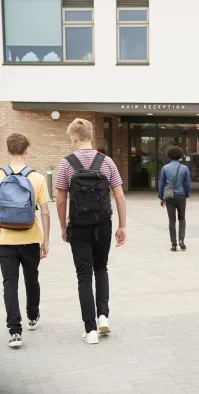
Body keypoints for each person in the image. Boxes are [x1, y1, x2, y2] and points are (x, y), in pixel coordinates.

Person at [56, 118, 127, 345]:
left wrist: (63, 226)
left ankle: (90, 330)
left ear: (74, 138)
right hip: (103, 224)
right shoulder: (107, 162)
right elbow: (119, 195)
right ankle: (103, 315)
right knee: (101, 268)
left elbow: (60, 200)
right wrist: (122, 226)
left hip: (78, 225)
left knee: (84, 276)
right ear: (92, 136)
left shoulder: (66, 164)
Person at [0, 134, 50, 348]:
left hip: (4, 239)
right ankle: (32, 315)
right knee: (32, 279)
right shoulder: (37, 178)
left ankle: (14, 332)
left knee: (10, 284)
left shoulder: (0, 176)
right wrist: (45, 241)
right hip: (30, 238)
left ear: (8, 151)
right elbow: (46, 213)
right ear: (26, 151)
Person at [158, 146, 191, 252]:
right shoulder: (185, 168)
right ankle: (181, 240)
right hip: (181, 195)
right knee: (182, 218)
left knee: (171, 220)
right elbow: (188, 183)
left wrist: (161, 197)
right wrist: (186, 194)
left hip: (169, 196)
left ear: (169, 155)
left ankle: (173, 244)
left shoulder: (165, 168)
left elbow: (162, 183)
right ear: (180, 155)